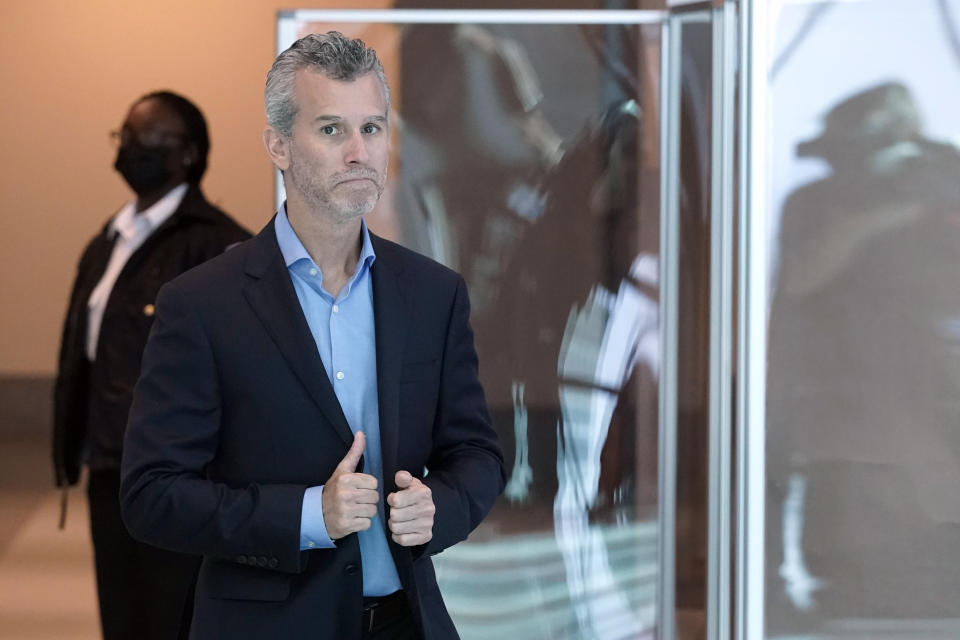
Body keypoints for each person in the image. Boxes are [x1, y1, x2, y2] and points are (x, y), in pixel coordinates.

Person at [119, 32, 505, 640]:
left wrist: (443, 507)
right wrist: (307, 515)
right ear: (278, 145)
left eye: (372, 128)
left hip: (406, 623)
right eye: (331, 130)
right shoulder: (200, 304)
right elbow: (152, 495)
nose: (359, 152)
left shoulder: (434, 293)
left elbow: (478, 455)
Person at [52, 91, 251, 639]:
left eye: (146, 138)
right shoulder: (111, 238)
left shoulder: (219, 245)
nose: (130, 149)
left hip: (178, 476)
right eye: (124, 136)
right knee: (122, 616)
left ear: (187, 154)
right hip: (109, 464)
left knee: (172, 617)